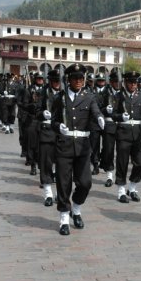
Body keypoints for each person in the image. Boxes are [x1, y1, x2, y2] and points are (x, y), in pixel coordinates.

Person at [50, 63, 105, 235]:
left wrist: (101, 118)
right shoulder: (60, 97)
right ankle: (64, 218)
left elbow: (95, 112)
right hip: (64, 146)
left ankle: (77, 208)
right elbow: (53, 120)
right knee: (63, 183)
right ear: (69, 80)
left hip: (82, 146)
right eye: (75, 78)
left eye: (81, 78)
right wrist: (59, 126)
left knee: (85, 183)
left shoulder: (89, 97)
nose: (79, 81)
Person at [112, 71, 141, 203]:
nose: (133, 85)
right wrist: (120, 117)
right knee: (122, 163)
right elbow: (112, 114)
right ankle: (121, 191)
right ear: (125, 83)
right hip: (123, 133)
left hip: (137, 134)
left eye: (135, 82)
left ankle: (132, 187)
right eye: (130, 82)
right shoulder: (119, 96)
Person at [37, 69, 62, 207]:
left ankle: (60, 192)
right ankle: (48, 193)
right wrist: (42, 114)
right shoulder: (44, 93)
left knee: (62, 165)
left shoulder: (65, 94)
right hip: (47, 132)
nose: (57, 83)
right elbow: (36, 110)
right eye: (55, 81)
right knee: (46, 164)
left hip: (61, 133)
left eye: (59, 81)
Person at [89, 72, 107, 175]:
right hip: (94, 122)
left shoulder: (108, 91)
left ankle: (103, 161)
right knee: (94, 145)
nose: (101, 82)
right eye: (99, 80)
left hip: (106, 121)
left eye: (102, 80)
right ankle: (95, 164)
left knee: (107, 145)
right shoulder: (91, 91)